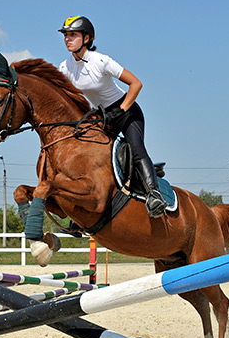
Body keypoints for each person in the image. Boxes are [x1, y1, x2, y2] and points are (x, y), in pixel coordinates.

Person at [58, 15, 168, 218]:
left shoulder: (101, 61)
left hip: (127, 113)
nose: (67, 38)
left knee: (135, 149)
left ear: (87, 38)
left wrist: (123, 109)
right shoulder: (64, 67)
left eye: (73, 35)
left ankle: (155, 196)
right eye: (65, 35)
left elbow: (136, 83)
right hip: (101, 117)